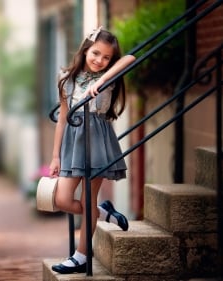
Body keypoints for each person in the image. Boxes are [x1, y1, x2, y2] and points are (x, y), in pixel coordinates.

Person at [49, 26, 136, 274]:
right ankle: (103, 213)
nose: (100, 60)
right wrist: (55, 156)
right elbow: (63, 118)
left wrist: (103, 78)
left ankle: (81, 256)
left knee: (88, 198)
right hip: (72, 142)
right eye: (96, 53)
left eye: (106, 57)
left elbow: (131, 58)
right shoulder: (66, 78)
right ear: (86, 50)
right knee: (62, 199)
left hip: (97, 139)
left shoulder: (109, 76)